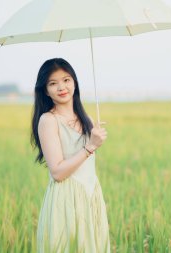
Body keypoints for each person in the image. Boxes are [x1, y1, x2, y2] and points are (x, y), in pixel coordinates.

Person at [30, 58, 111, 253]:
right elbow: (57, 172)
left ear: (74, 82)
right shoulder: (48, 120)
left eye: (66, 80)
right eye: (53, 83)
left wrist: (93, 140)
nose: (61, 87)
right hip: (65, 201)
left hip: (91, 196)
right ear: (45, 90)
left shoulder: (88, 120)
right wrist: (90, 147)